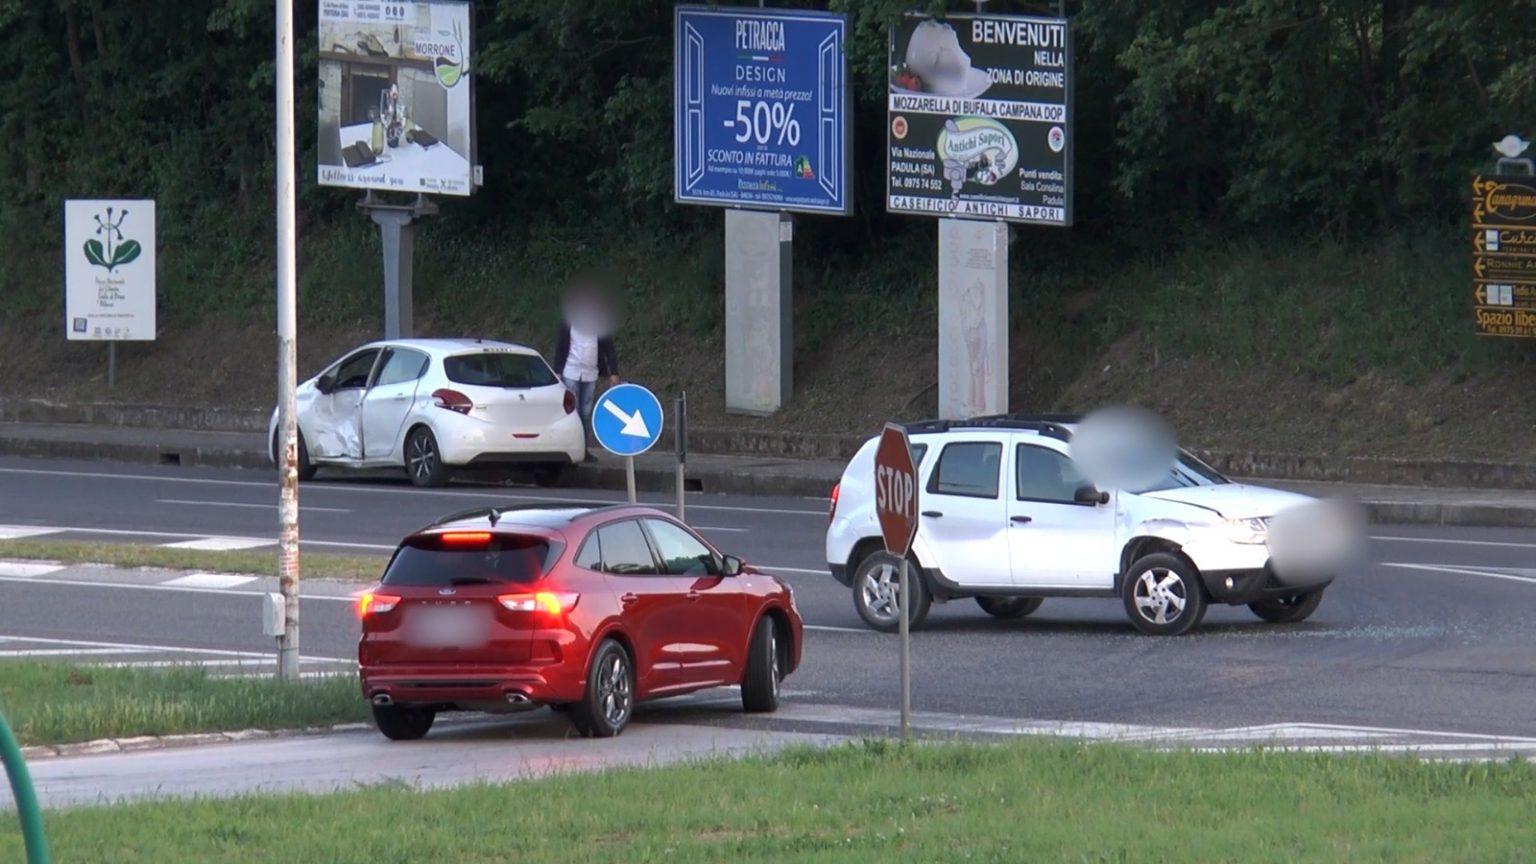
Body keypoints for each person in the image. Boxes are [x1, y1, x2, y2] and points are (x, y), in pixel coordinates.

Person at [553, 283, 620, 461]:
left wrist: (613, 371)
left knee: (585, 411)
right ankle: (569, 447)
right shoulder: (568, 324)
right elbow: (561, 347)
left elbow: (608, 348)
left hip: (591, 372)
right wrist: (557, 371)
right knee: (572, 410)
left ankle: (583, 449)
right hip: (571, 370)